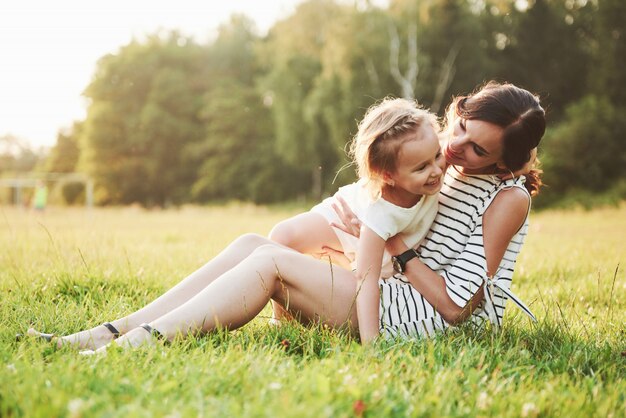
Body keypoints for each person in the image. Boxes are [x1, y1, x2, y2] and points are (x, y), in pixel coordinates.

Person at [25, 81, 545, 352]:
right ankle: (111, 331)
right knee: (256, 241)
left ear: (505, 162)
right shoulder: (447, 167)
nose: (455, 148)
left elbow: (458, 308)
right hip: (392, 292)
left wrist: (393, 249)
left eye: (476, 150)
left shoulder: (507, 199)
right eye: (460, 128)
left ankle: (136, 345)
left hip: (419, 321)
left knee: (271, 262)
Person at [268, 98, 445, 325]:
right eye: (422, 167)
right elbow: (366, 280)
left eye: (437, 156)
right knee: (282, 236)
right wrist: (371, 343)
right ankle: (280, 321)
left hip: (380, 242)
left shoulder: (432, 156)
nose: (436, 170)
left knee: (364, 272)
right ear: (388, 176)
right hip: (348, 217)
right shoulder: (379, 211)